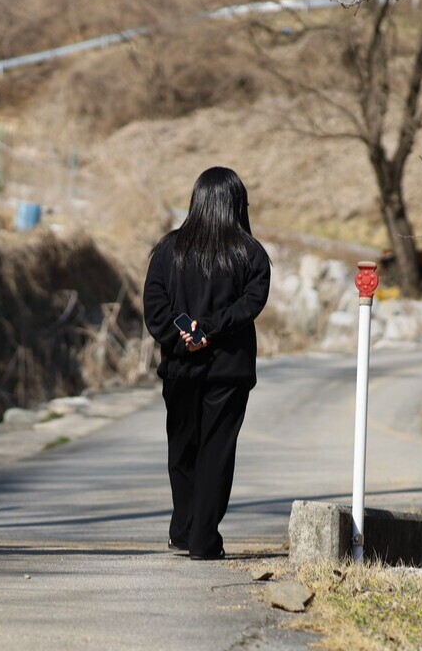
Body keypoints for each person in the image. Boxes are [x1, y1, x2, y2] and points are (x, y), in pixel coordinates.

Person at [143, 167, 271, 560]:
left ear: (196, 200)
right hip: (229, 370)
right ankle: (202, 538)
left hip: (181, 368)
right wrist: (211, 331)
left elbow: (154, 306)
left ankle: (184, 530)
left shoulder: (168, 249)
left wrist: (183, 337)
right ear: (236, 204)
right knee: (216, 452)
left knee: (182, 449)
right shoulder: (250, 253)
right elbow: (251, 303)